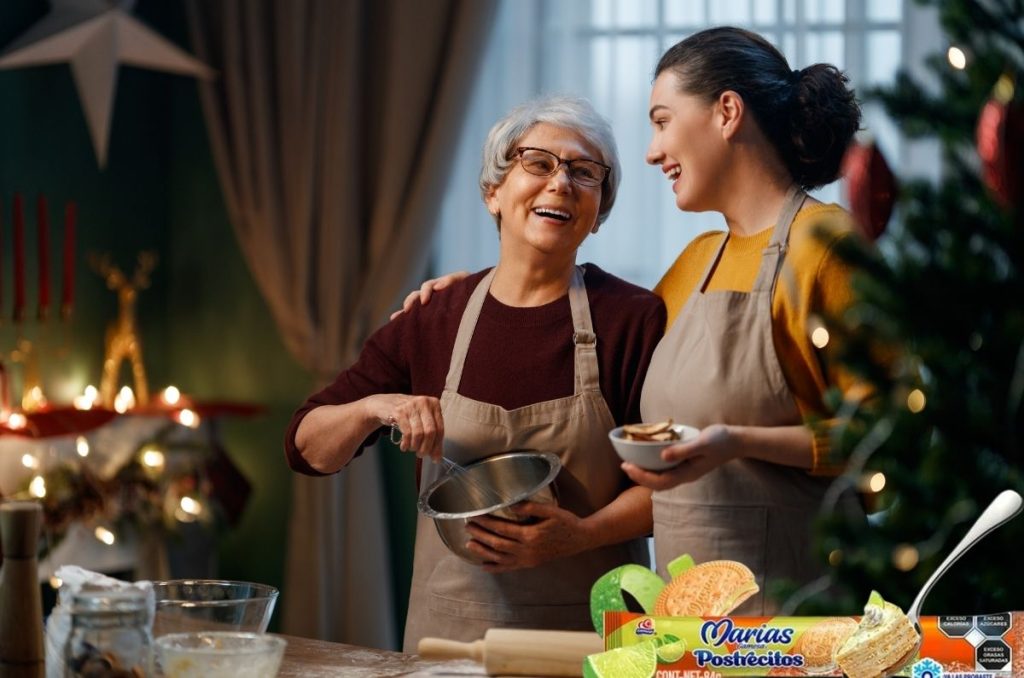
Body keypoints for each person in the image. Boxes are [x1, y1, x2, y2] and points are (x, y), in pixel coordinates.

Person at [398, 27, 867, 614]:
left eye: (662, 120)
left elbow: (891, 440)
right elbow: (597, 317)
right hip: (688, 624)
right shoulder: (696, 264)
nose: (650, 151)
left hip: (793, 616)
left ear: (726, 112)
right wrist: (475, 292)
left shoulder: (827, 244)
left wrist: (736, 441)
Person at [285, 95, 665, 651]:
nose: (561, 183)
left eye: (585, 172)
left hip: (597, 642)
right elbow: (307, 449)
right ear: (493, 192)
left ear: (598, 209)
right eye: (538, 163)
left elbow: (676, 488)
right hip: (451, 642)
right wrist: (375, 408)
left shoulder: (632, 318)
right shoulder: (433, 317)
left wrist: (579, 536)